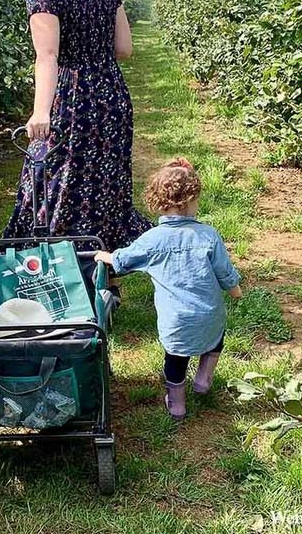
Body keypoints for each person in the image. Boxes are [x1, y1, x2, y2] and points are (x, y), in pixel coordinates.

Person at [2, 0, 152, 261]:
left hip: (72, 100)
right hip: (111, 94)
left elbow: (48, 55)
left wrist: (41, 112)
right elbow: (125, 48)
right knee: (105, 181)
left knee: (56, 178)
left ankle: (58, 260)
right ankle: (105, 263)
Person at [95, 158, 242, 421]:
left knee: (176, 359)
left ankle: (177, 405)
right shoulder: (208, 235)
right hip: (209, 313)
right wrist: (234, 290)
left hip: (176, 320)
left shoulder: (152, 239)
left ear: (159, 202)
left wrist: (104, 256)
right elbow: (224, 270)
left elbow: (124, 260)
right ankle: (204, 381)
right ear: (191, 199)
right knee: (215, 340)